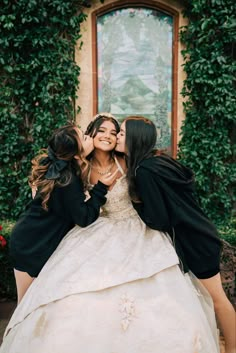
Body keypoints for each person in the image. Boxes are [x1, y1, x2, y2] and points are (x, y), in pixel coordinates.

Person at [1, 114, 220, 353]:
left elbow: (150, 189)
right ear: (90, 136)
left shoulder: (126, 161)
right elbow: (65, 199)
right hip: (93, 230)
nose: (108, 136)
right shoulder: (80, 167)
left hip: (135, 231)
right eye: (101, 131)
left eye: (114, 132)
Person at [115, 115, 236, 353]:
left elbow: (158, 219)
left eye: (121, 133)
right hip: (201, 234)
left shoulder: (144, 171)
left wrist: (136, 204)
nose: (117, 136)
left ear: (134, 138)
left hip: (194, 242)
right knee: (213, 299)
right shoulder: (159, 162)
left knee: (217, 299)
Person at [9, 123, 118, 304]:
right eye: (84, 137)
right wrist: (101, 188)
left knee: (30, 304)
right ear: (75, 154)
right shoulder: (67, 178)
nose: (89, 137)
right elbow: (83, 217)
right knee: (25, 305)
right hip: (31, 244)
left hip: (31, 237)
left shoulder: (64, 169)